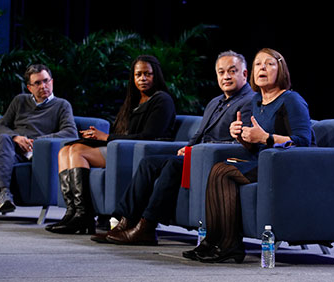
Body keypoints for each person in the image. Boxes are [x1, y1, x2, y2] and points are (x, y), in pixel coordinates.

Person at [90, 50, 255, 245]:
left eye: (232, 71)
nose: (226, 76)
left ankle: (147, 226)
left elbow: (241, 142)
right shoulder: (215, 102)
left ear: (244, 74)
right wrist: (188, 147)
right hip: (198, 155)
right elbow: (198, 134)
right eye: (221, 72)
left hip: (218, 160)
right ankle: (124, 222)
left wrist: (197, 151)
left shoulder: (249, 101)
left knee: (174, 165)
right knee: (149, 162)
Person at [183, 48, 315, 263]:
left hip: (287, 167)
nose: (262, 68)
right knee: (218, 167)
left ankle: (229, 245)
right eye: (258, 64)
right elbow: (254, 147)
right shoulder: (256, 102)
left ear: (281, 69)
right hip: (264, 161)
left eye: (269, 64)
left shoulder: (291, 100)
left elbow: (302, 142)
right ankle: (213, 241)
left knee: (224, 172)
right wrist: (242, 136)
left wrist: (265, 137)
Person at [45, 55, 176, 235]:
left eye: (148, 74)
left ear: (156, 76)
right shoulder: (134, 101)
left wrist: (106, 137)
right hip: (122, 148)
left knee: (77, 152)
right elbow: (121, 132)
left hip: (138, 153)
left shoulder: (162, 100)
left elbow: (150, 136)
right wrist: (96, 137)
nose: (143, 78)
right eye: (138, 75)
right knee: (65, 150)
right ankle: (72, 212)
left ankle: (84, 215)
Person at [0, 64, 78, 215]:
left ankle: (4, 192)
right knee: (3, 139)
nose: (43, 86)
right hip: (8, 145)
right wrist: (16, 137)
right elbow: (1, 126)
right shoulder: (20, 101)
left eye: (46, 81)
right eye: (37, 83)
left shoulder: (62, 105)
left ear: (52, 81)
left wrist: (34, 141)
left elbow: (70, 133)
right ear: (30, 87)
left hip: (30, 153)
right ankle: (4, 192)